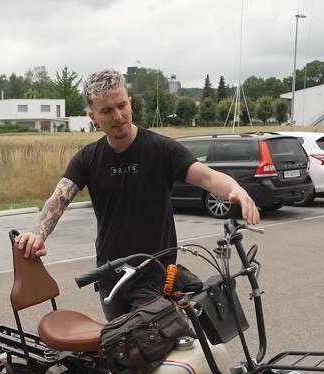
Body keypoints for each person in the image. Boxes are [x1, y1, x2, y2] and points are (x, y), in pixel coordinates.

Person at [15, 69, 259, 320]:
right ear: (93, 117)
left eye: (121, 105)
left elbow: (207, 176)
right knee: (120, 350)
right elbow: (59, 198)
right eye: (107, 111)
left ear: (130, 103)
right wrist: (38, 233)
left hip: (157, 277)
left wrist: (235, 189)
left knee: (160, 348)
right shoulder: (87, 159)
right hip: (112, 279)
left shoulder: (161, 149)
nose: (118, 116)